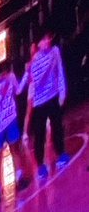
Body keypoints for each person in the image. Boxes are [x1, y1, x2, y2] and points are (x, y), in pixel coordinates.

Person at [0, 62, 30, 205]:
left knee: (15, 149)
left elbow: (18, 90)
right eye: (3, 74)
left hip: (10, 120)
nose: (5, 75)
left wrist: (27, 73)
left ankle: (19, 178)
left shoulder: (10, 80)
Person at [27, 31, 69, 179]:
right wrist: (34, 69)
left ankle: (61, 154)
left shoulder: (55, 51)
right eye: (44, 39)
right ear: (39, 43)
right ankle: (40, 166)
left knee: (57, 126)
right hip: (40, 102)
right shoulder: (35, 61)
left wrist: (62, 92)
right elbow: (35, 82)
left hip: (53, 96)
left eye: (49, 38)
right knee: (40, 134)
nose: (47, 41)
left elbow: (60, 71)